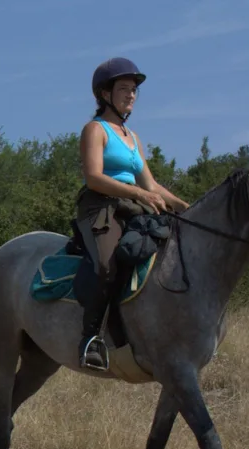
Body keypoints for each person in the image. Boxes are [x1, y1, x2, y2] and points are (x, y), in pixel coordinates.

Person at [74, 57, 189, 370]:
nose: (131, 95)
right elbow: (93, 177)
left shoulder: (133, 137)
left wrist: (185, 208)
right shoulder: (94, 130)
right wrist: (140, 193)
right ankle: (91, 340)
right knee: (105, 264)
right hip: (100, 208)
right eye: (124, 88)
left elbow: (150, 183)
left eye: (134, 90)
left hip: (133, 208)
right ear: (104, 95)